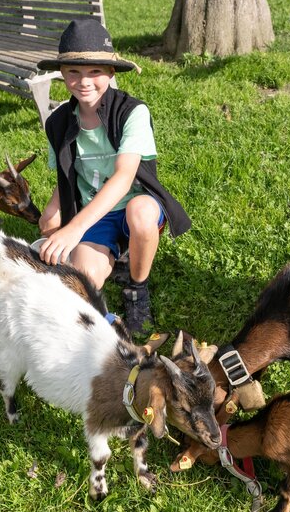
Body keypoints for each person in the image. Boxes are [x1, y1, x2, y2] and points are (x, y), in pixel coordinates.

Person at [36, 18, 191, 336]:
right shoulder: (58, 122)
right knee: (83, 278)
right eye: (73, 72)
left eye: (95, 71)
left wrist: (73, 229)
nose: (84, 82)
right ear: (62, 73)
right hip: (95, 212)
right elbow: (67, 175)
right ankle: (108, 299)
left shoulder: (132, 112)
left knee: (141, 213)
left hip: (135, 203)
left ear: (110, 72)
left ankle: (138, 288)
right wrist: (54, 214)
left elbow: (123, 177)